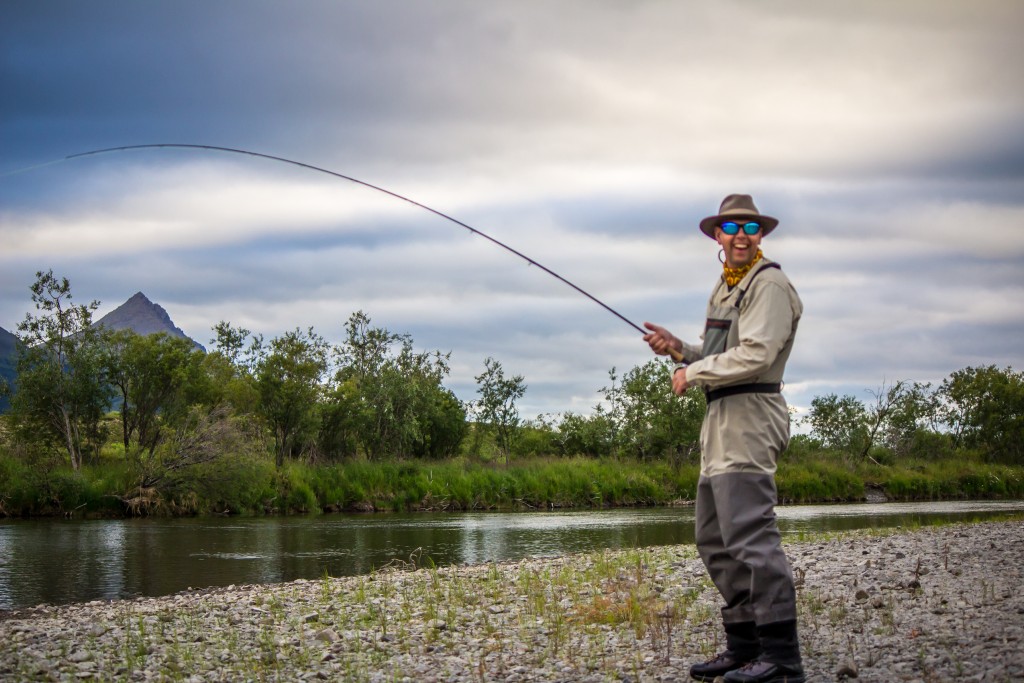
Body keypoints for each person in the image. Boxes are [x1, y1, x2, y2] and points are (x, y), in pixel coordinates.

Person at [643, 194, 805, 683]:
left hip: (751, 418)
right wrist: (680, 349)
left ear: (761, 235)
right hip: (719, 422)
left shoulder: (769, 283)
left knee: (751, 538)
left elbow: (756, 355)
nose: (740, 234)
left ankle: (781, 659)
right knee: (713, 538)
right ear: (718, 235)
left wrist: (691, 372)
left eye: (750, 227)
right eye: (731, 226)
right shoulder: (725, 287)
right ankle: (745, 646)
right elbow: (723, 352)